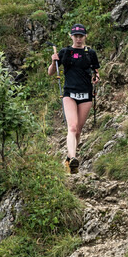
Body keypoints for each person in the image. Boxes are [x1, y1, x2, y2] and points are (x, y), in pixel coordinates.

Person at [48, 23, 100, 174]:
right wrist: (53, 61)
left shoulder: (90, 53)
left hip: (86, 94)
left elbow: (96, 72)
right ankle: (73, 158)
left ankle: (68, 160)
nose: (78, 39)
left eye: (81, 36)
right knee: (72, 127)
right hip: (69, 93)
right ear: (71, 36)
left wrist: (96, 78)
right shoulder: (65, 52)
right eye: (76, 36)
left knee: (78, 131)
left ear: (85, 37)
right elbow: (51, 72)